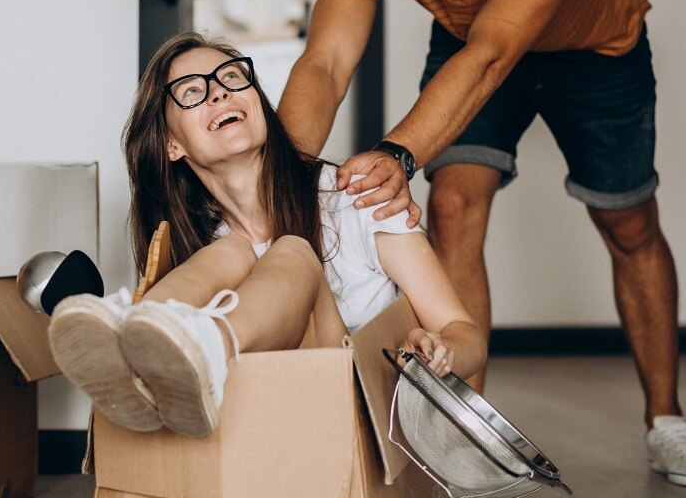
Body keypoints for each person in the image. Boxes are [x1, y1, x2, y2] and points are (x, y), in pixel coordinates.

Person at [277, 0, 686, 487]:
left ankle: (666, 419)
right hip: (472, 32)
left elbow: (495, 54)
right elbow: (326, 59)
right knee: (451, 202)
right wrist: (280, 176)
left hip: (591, 47)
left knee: (627, 224)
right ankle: (464, 429)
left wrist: (396, 154)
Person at [47, 32, 486, 438]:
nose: (220, 90)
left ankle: (206, 348)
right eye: (193, 92)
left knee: (291, 250)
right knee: (232, 252)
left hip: (356, 418)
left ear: (258, 103)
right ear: (170, 145)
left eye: (233, 78)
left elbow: (466, 334)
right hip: (258, 423)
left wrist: (441, 350)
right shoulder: (205, 242)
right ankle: (137, 333)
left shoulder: (357, 198)